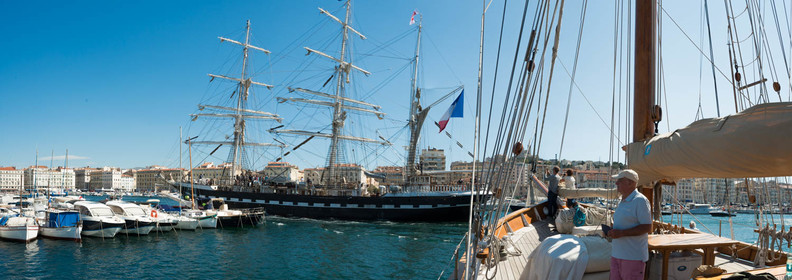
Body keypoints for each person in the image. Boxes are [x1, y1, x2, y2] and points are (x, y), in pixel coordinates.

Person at [607, 169, 652, 280]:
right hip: (617, 254)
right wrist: (613, 230)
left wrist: (621, 233)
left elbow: (647, 227)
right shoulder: (623, 200)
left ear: (631, 183)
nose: (616, 183)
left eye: (620, 181)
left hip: (632, 257)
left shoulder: (640, 201)